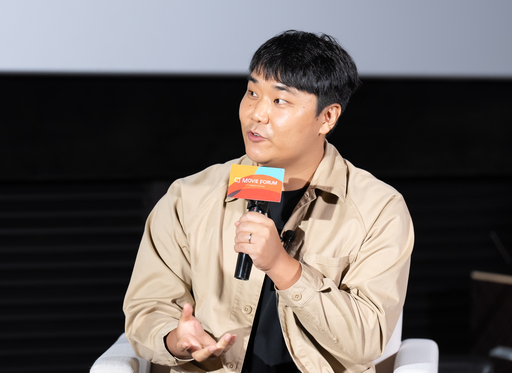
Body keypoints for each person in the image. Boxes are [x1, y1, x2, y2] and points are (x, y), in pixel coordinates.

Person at [124, 30, 413, 373]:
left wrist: (284, 268)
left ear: (327, 117)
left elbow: (365, 342)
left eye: (280, 101)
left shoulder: (378, 209)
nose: (256, 114)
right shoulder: (189, 196)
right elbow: (147, 307)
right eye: (251, 93)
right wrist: (175, 338)